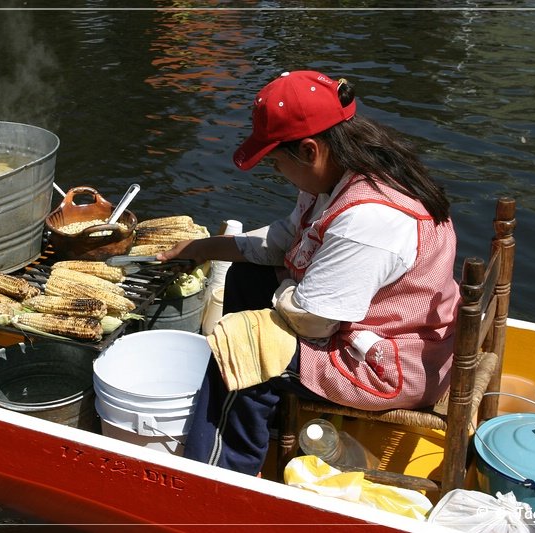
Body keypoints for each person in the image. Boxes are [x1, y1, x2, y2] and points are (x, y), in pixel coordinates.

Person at [158, 70, 460, 476]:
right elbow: (288, 238)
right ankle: (264, 416)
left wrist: (280, 295)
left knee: (238, 346)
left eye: (276, 162)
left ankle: (217, 474)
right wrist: (205, 248)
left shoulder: (370, 220)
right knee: (245, 278)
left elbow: (312, 320)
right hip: (376, 322)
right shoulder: (346, 172)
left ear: (309, 150)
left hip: (387, 364)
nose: (277, 172)